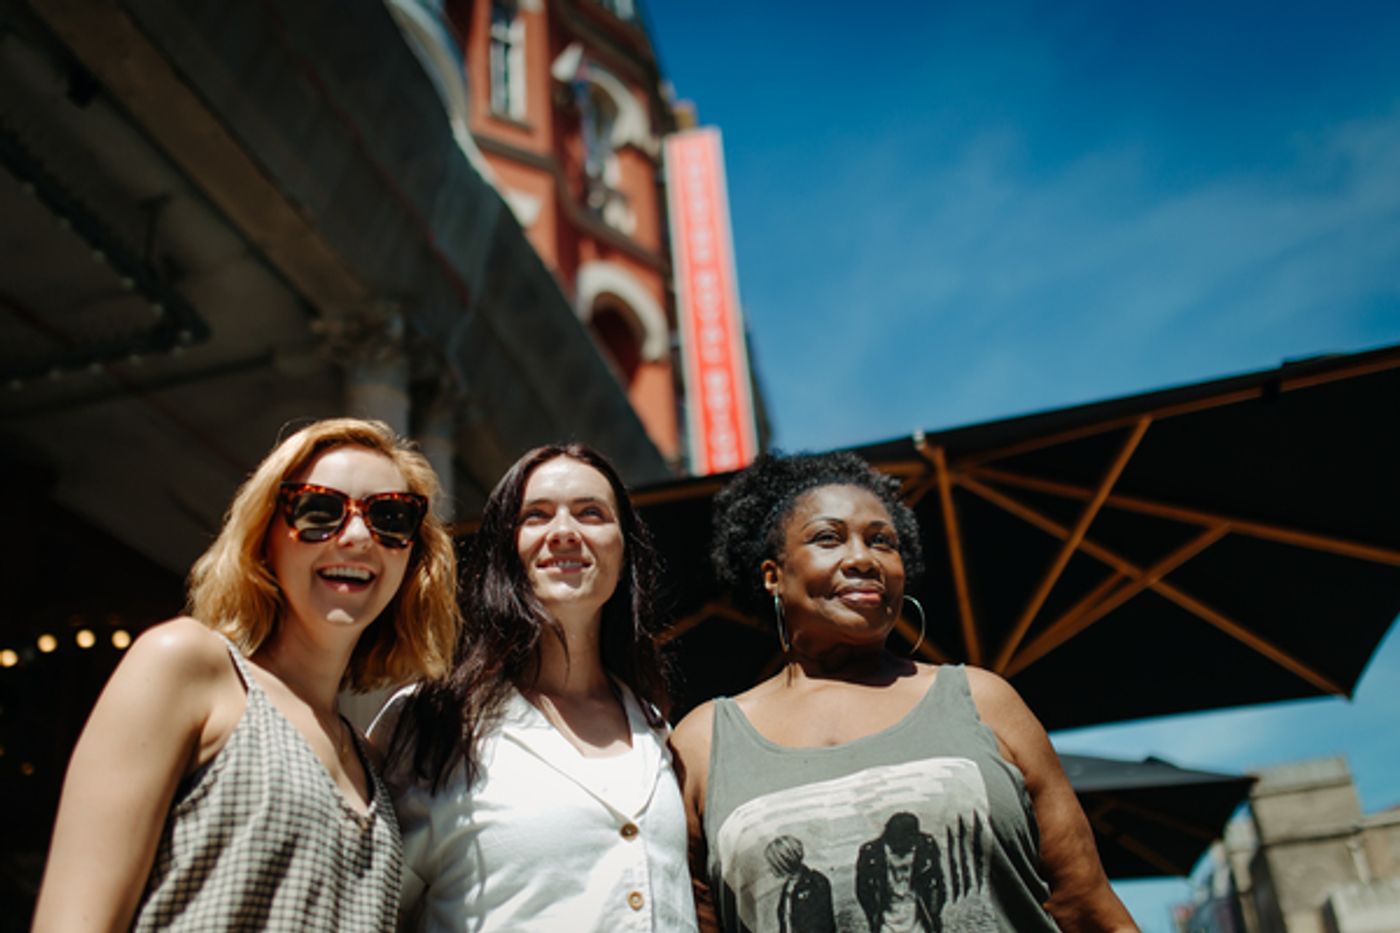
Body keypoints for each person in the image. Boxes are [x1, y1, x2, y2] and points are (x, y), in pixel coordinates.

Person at [669, 451, 1137, 933]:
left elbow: (1087, 908)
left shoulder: (982, 700)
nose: (862, 558)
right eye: (828, 538)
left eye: (882, 542)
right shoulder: (706, 742)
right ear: (773, 575)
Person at [32, 418, 461, 932]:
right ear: (265, 536)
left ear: (413, 556)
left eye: (390, 517)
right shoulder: (188, 667)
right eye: (318, 510)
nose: (355, 536)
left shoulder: (372, 764)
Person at [374, 443, 698, 932]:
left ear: (625, 548)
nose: (564, 532)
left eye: (591, 513)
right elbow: (374, 909)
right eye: (536, 516)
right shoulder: (431, 722)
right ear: (505, 548)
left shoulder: (657, 729)